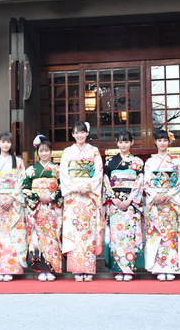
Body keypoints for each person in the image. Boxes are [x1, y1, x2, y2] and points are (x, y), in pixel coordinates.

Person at [59, 121, 104, 282]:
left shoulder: (94, 151)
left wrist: (88, 186)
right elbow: (63, 173)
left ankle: (88, 269)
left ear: (87, 133)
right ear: (72, 134)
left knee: (88, 232)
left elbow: (98, 172)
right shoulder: (67, 152)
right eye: (76, 132)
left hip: (88, 198)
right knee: (74, 232)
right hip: (74, 197)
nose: (79, 135)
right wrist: (76, 187)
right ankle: (77, 269)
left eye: (82, 132)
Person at [0, 132, 27, 282]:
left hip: (13, 203)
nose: (6, 145)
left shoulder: (18, 162)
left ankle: (11, 269)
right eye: (3, 142)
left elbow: (22, 181)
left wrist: (11, 197)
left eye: (8, 142)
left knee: (13, 235)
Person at [143, 129, 180, 281]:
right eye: (159, 140)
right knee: (157, 234)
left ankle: (171, 266)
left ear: (169, 142)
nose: (162, 143)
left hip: (170, 203)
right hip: (157, 203)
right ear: (155, 141)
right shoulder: (150, 162)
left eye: (164, 140)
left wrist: (169, 195)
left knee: (170, 234)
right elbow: (146, 183)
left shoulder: (176, 161)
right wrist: (155, 196)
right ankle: (159, 267)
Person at [103, 130, 144, 281]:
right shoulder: (110, 162)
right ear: (117, 143)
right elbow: (106, 181)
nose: (123, 145)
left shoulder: (138, 162)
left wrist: (130, 200)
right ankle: (117, 269)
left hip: (130, 204)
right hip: (115, 203)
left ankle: (129, 269)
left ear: (132, 142)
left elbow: (140, 182)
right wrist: (114, 198)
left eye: (126, 142)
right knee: (117, 236)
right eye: (121, 142)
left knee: (129, 236)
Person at [21, 135, 63, 281]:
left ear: (51, 151)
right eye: (41, 151)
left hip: (51, 208)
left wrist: (51, 196)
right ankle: (40, 269)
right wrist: (37, 196)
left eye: (47, 150)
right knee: (36, 238)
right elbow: (25, 188)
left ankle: (51, 268)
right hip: (37, 208)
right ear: (37, 152)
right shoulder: (31, 170)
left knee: (52, 238)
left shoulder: (57, 170)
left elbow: (62, 187)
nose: (44, 153)